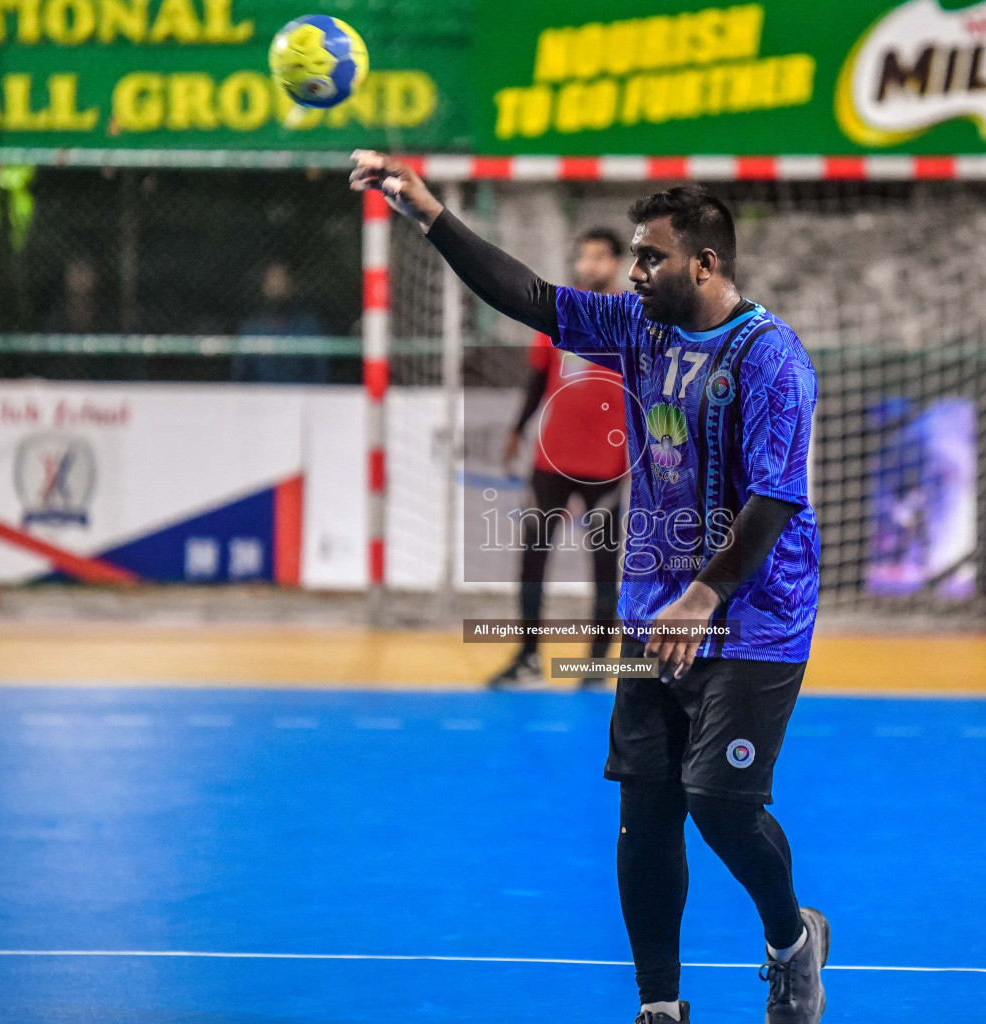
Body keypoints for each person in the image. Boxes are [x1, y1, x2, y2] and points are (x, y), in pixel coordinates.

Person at [350, 151, 827, 1024]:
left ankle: (792, 940)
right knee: (645, 812)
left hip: (754, 615)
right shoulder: (640, 328)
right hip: (655, 613)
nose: (634, 272)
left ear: (705, 265)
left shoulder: (770, 358)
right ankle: (660, 1004)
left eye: (650, 257)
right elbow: (530, 299)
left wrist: (704, 597)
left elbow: (773, 501)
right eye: (635, 258)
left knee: (718, 803)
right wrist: (427, 213)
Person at [487, 227, 629, 691]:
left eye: (600, 257)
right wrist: (516, 429)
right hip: (551, 459)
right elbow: (536, 379)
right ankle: (528, 655)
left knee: (605, 562)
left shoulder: (634, 318)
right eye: (584, 256)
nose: (590, 265)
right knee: (533, 555)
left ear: (618, 264)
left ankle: (595, 663)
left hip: (610, 464)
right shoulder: (559, 313)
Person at [233, 262, 328, 383]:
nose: (276, 289)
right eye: (272, 284)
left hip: (300, 398)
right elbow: (240, 377)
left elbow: (319, 374)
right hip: (259, 398)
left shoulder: (308, 328)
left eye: (281, 283)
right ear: (263, 288)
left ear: (291, 287)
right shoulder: (250, 330)